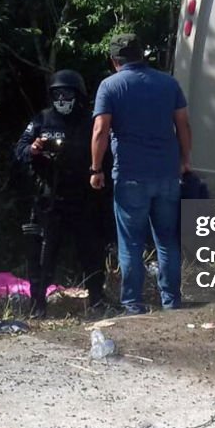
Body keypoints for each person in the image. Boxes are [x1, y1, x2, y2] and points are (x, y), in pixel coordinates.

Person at [90, 34, 192, 314]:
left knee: (131, 241)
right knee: (167, 240)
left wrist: (96, 169)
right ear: (142, 55)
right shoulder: (168, 83)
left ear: (114, 61)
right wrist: (185, 160)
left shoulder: (110, 86)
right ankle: (171, 301)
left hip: (130, 175)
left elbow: (100, 130)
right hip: (167, 174)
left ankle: (133, 303)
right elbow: (183, 125)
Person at [13, 69, 107, 318]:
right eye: (57, 94)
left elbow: (105, 152)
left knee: (92, 251)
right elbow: (19, 149)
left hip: (84, 197)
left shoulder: (89, 121)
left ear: (78, 95)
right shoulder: (42, 119)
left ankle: (97, 299)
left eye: (67, 93)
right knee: (43, 256)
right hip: (49, 199)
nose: (62, 99)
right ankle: (38, 305)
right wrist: (33, 149)